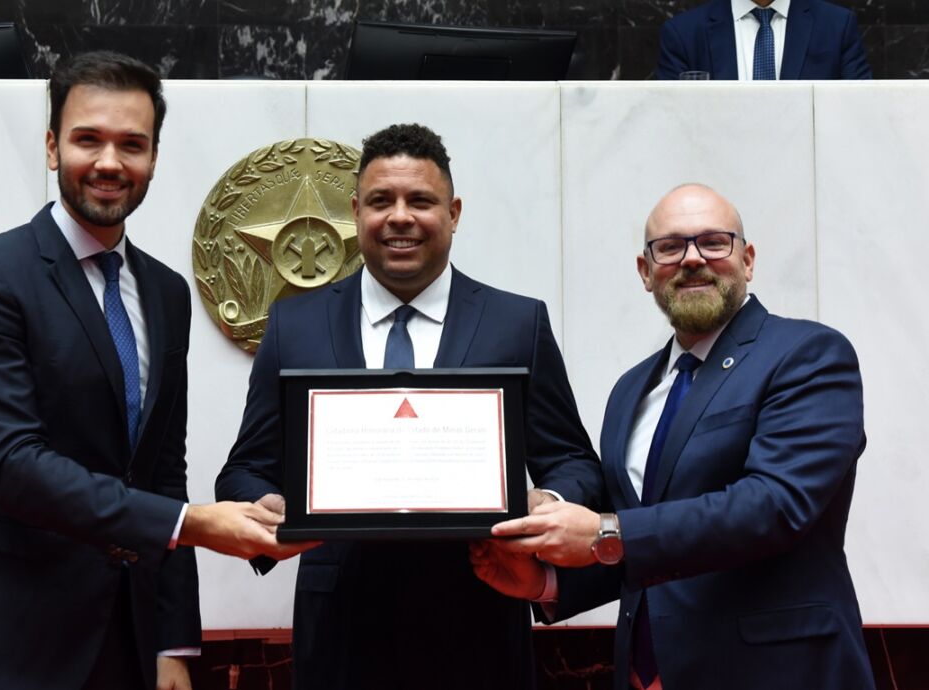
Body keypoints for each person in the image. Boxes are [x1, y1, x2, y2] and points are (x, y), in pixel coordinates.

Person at [0, 51, 302, 690]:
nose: (111, 162)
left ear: (153, 156)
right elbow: (10, 465)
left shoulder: (168, 293)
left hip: (126, 641)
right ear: (51, 146)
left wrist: (174, 640)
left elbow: (160, 469)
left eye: (132, 144)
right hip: (3, 639)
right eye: (88, 139)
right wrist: (193, 524)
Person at [215, 123, 603, 689]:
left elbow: (575, 461)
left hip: (480, 624)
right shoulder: (294, 325)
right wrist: (269, 505)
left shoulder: (518, 323)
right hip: (341, 634)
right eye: (381, 201)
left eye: (421, 200)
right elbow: (243, 469)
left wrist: (549, 500)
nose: (400, 217)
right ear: (355, 213)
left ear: (454, 212)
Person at [472, 183, 874, 689]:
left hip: (777, 670)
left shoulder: (809, 355)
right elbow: (649, 541)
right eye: (670, 247)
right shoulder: (631, 390)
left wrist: (602, 533)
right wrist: (549, 581)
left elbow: (774, 505)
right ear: (646, 272)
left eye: (713, 242)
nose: (691, 259)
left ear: (747, 260)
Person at [656, 0, 872, 80]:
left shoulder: (836, 26)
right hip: (715, 171)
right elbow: (672, 121)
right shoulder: (684, 34)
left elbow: (858, 111)